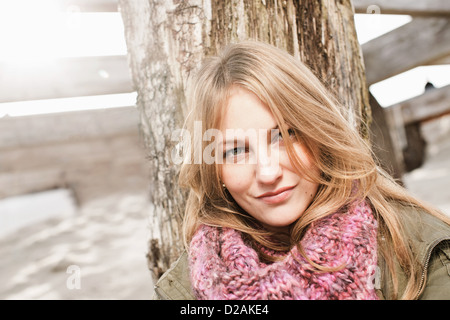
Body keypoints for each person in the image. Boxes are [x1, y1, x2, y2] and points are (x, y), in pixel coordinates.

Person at [153, 40, 450, 300]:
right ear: (214, 171)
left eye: (284, 135)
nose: (268, 173)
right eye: (235, 151)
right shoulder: (182, 289)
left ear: (319, 132)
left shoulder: (421, 251)